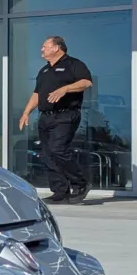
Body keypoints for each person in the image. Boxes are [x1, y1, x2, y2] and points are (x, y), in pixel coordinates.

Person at [17, 35, 94, 204]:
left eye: (45, 46)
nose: (41, 49)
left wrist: (65, 89)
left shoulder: (73, 64)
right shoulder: (44, 71)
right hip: (45, 117)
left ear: (56, 48)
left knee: (58, 149)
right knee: (48, 154)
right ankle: (60, 191)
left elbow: (86, 82)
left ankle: (80, 183)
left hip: (66, 115)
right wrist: (26, 112)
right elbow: (37, 94)